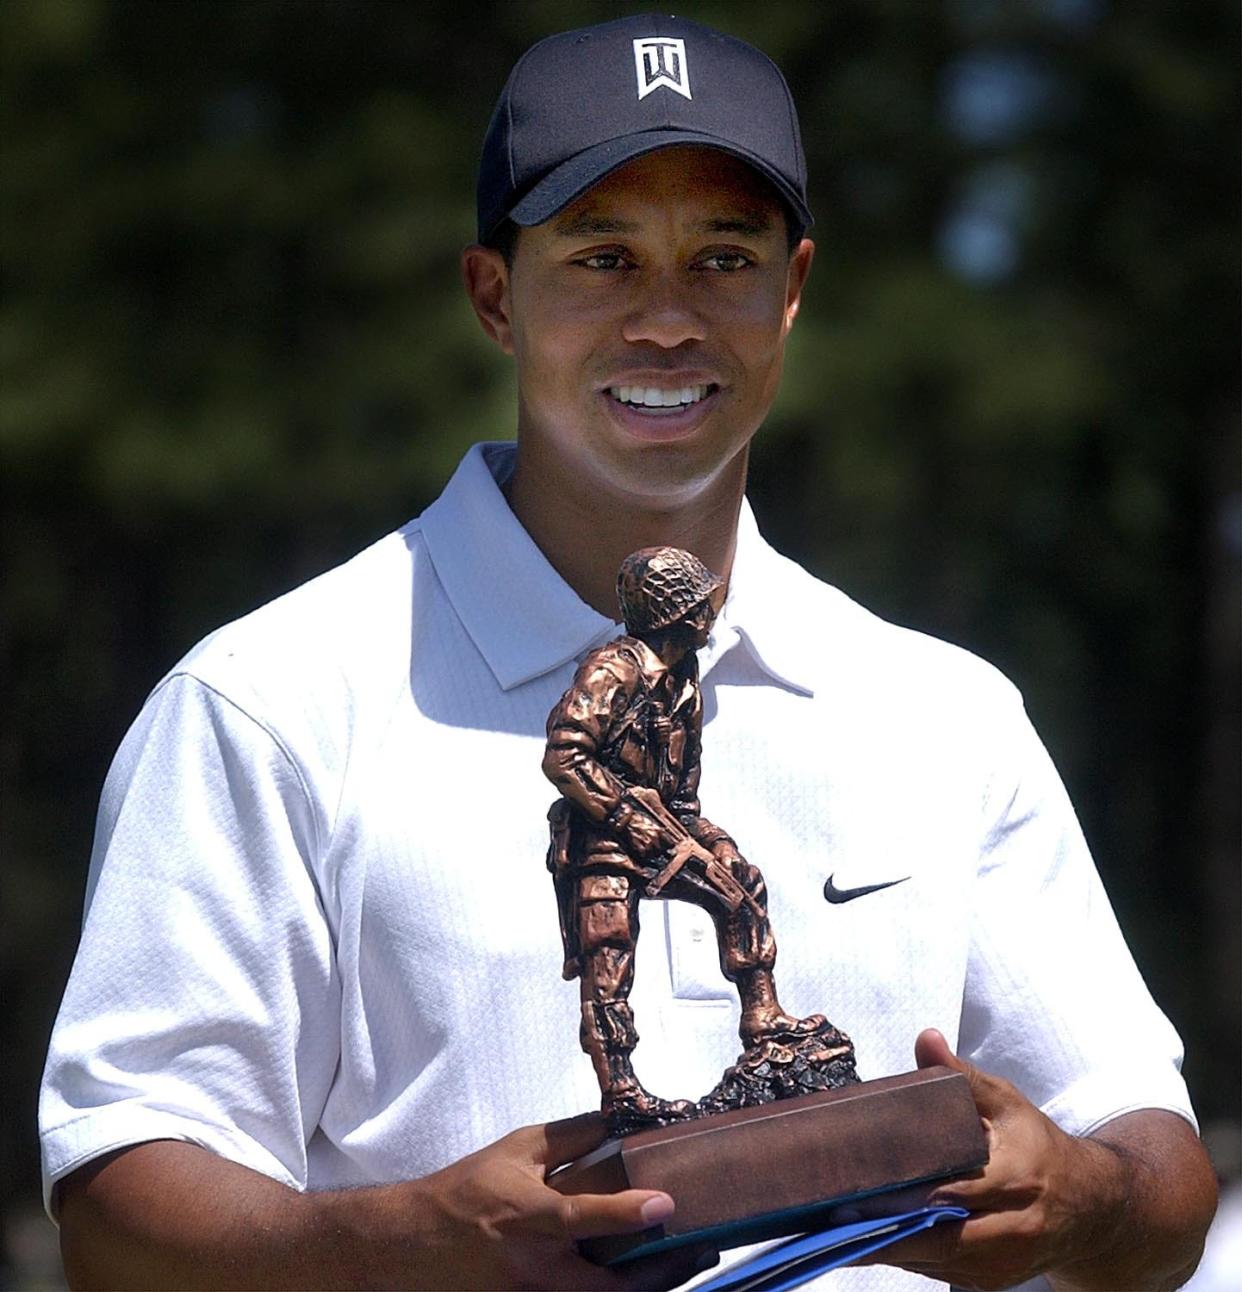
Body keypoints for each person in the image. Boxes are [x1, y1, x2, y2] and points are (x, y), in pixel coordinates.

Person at [41, 13, 1215, 1291]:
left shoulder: (945, 711)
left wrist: (1081, 1192)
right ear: (496, 296)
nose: (667, 319)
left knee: (740, 903)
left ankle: (771, 1033)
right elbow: (117, 1207)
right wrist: (415, 1242)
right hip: (602, 847)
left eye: (722, 257)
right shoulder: (271, 701)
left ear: (795, 288)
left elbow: (1156, 1164)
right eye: (603, 257)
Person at [543, 546, 844, 1135]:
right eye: (699, 603)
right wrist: (628, 816)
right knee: (608, 957)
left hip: (660, 830)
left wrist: (713, 840)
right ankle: (621, 1089)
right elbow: (565, 755)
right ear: (677, 611)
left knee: (740, 887)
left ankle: (763, 1020)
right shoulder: (614, 671)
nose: (709, 613)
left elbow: (682, 797)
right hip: (602, 842)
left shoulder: (684, 681)